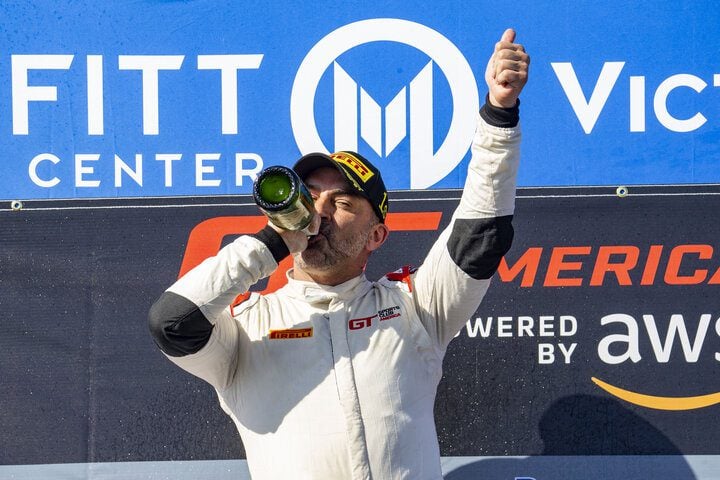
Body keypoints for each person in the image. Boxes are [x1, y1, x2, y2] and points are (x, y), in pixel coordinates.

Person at [149, 28, 529, 480]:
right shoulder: (245, 329)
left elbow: (481, 232)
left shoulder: (415, 306)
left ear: (376, 236)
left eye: (343, 203)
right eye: (309, 199)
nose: (320, 213)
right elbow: (172, 322)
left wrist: (499, 115)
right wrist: (275, 241)